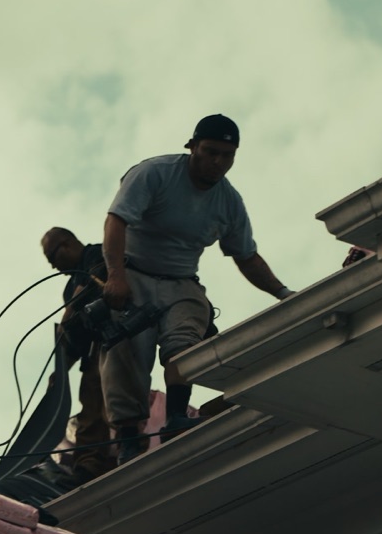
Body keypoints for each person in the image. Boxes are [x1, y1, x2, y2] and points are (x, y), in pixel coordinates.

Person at [99, 113, 294, 462]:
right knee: (126, 351)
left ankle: (175, 417)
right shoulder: (154, 173)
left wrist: (283, 294)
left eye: (227, 155)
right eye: (210, 151)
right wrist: (115, 274)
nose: (218, 162)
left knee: (186, 338)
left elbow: (246, 256)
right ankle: (128, 438)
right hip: (134, 273)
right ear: (192, 147)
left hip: (181, 281)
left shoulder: (229, 202)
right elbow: (116, 220)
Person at [41, 226, 114, 482]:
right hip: (93, 350)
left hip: (117, 338)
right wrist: (60, 371)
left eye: (52, 257)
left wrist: (70, 309)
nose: (52, 266)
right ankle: (88, 465)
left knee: (115, 399)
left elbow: (99, 280)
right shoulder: (69, 286)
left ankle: (126, 448)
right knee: (90, 404)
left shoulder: (99, 254)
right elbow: (75, 338)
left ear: (67, 244)